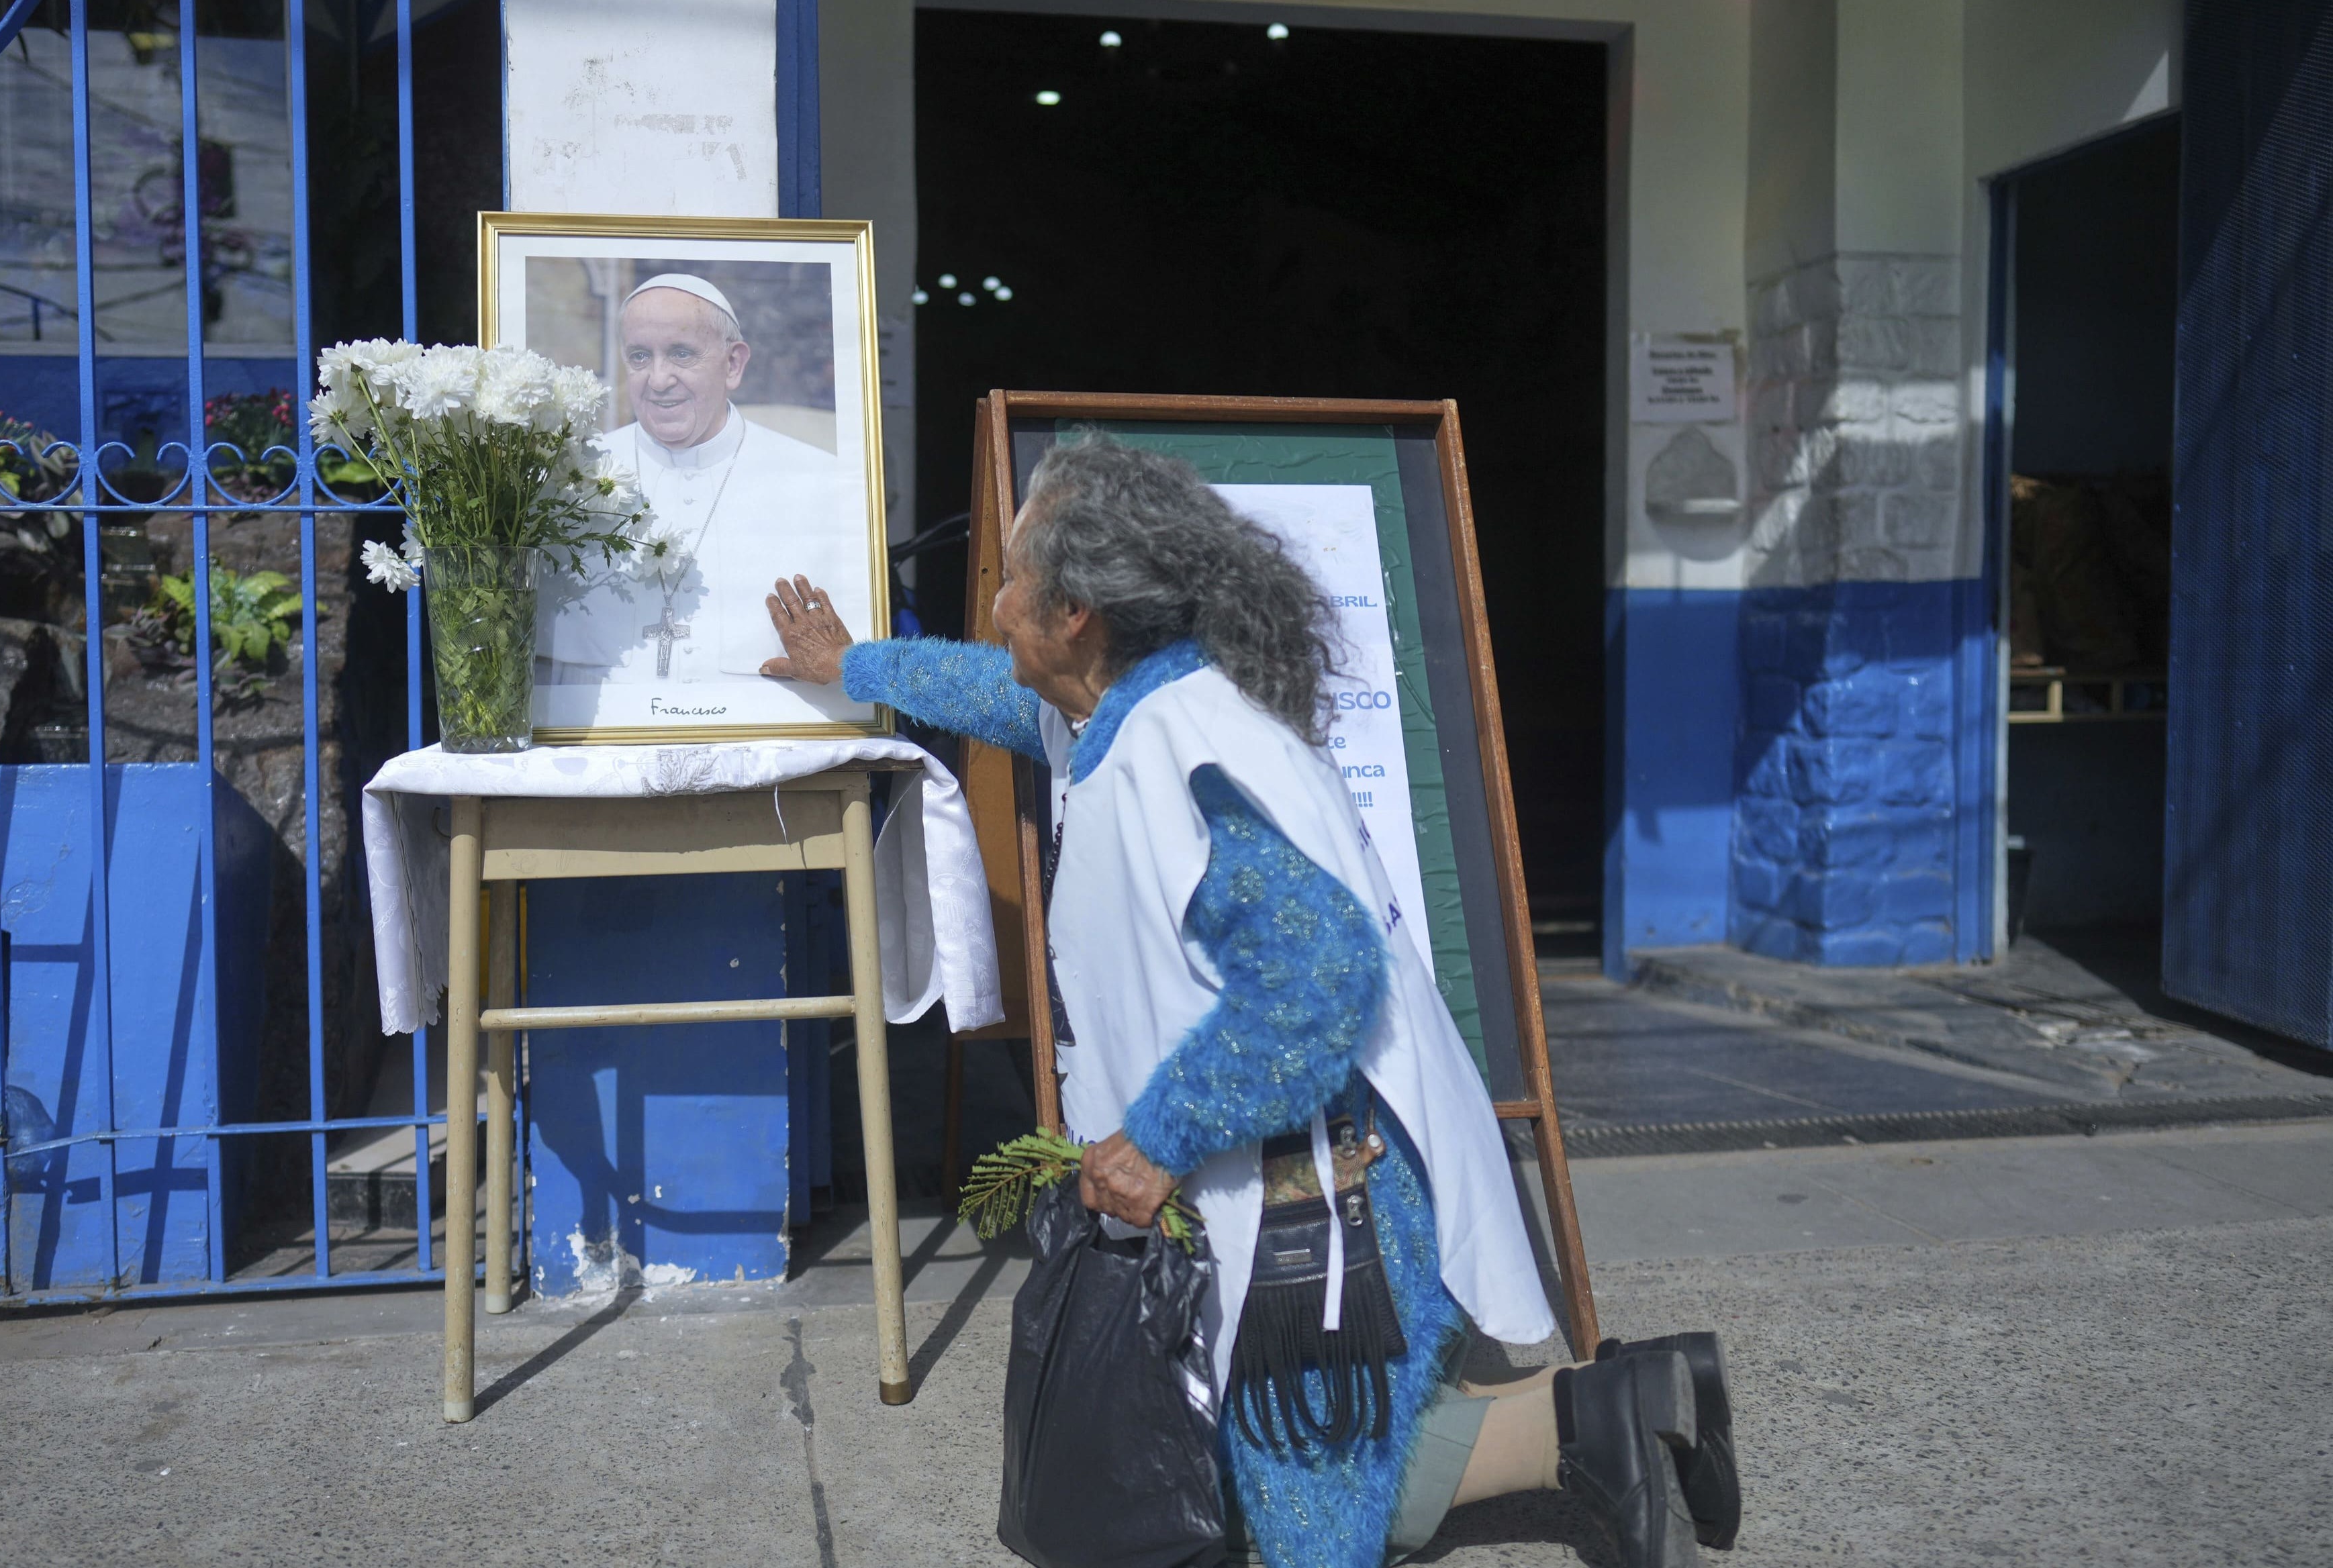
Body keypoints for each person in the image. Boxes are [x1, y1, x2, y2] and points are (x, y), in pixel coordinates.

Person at [761, 436, 1741, 1568]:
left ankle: (1602, 1416)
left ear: (1076, 612)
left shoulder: (1191, 747)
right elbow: (996, 690)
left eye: (1015, 578)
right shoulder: (1121, 697)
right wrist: (856, 666)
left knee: (1311, 1517)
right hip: (1292, 1169)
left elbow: (1317, 983)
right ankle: (1625, 1400)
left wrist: (1157, 1138)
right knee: (1264, 1476)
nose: (996, 596)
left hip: (1322, 1200)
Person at [537, 273, 851, 685]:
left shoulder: (820, 480)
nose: (659, 379)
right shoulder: (568, 478)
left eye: (682, 354)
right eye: (639, 357)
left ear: (733, 364)